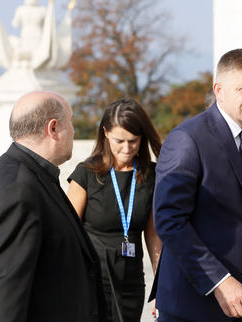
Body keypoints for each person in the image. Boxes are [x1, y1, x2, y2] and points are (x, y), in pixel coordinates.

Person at [150, 48, 242, 321]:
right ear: (219, 90)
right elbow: (170, 221)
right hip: (197, 300)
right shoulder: (187, 140)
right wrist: (220, 280)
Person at [0, 91, 106, 322]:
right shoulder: (19, 188)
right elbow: (5, 294)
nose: (74, 130)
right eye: (71, 122)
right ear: (53, 128)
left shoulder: (31, 176)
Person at [67, 98, 162, 322]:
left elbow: (153, 234)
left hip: (131, 282)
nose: (127, 148)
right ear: (106, 133)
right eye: (120, 140)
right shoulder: (86, 174)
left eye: (134, 141)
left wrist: (162, 284)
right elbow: (67, 232)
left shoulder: (152, 175)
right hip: (91, 281)